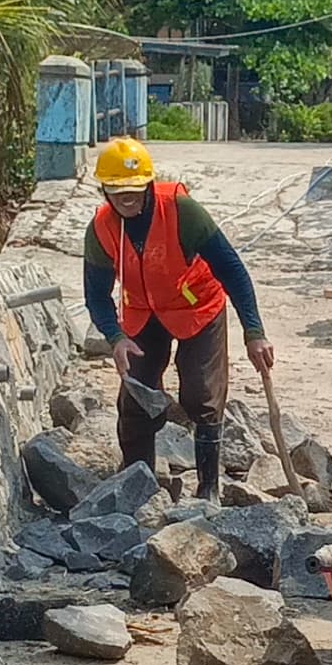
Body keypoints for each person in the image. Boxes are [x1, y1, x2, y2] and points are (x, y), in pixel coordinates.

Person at [83, 137, 275, 495]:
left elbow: (232, 269)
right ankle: (138, 486)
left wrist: (254, 331)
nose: (127, 199)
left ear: (149, 184)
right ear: (103, 190)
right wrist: (115, 338)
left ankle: (208, 490)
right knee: (136, 395)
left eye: (135, 190)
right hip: (143, 314)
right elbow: (95, 295)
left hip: (197, 308)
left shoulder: (182, 211)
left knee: (201, 394)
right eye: (117, 191)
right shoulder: (101, 229)